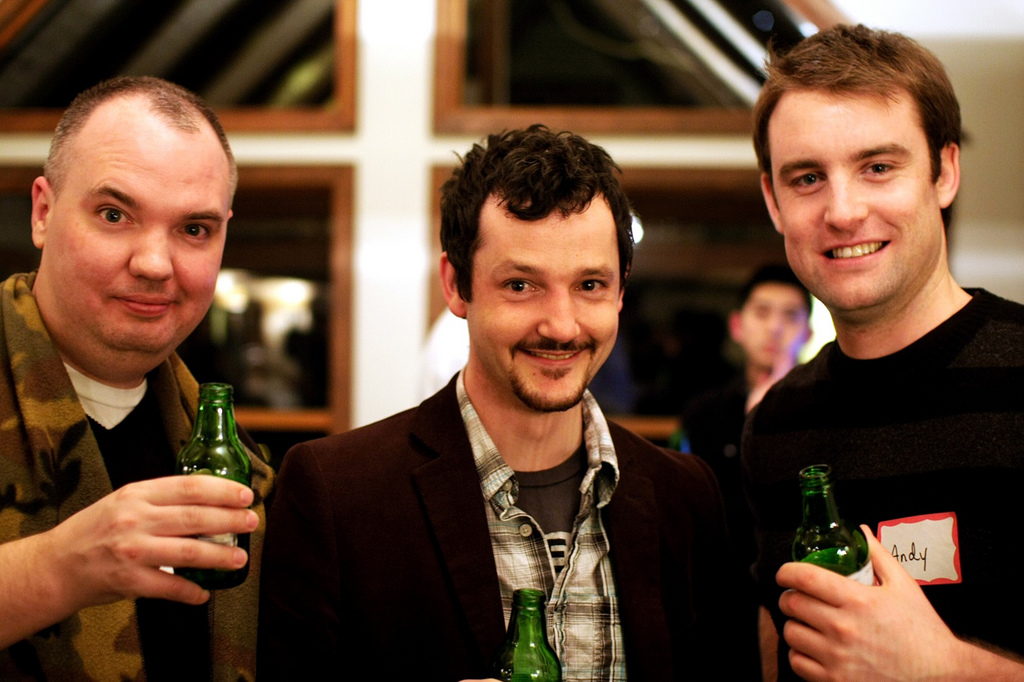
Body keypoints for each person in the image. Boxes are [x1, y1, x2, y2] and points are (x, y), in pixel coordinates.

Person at [259, 125, 743, 680]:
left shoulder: (686, 496)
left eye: (590, 285)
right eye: (520, 285)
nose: (561, 326)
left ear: (621, 290)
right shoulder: (337, 493)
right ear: (456, 285)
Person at [743, 24, 1024, 681]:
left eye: (877, 167)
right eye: (808, 177)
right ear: (773, 202)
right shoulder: (774, 428)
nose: (842, 212)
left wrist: (946, 668)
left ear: (944, 173)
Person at [0, 76, 274, 680]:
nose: (154, 264)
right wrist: (58, 569)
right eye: (114, 215)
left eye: (194, 230)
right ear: (43, 212)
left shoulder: (238, 459)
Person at [680, 264, 811, 679]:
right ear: (737, 326)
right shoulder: (705, 411)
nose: (775, 328)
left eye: (790, 316)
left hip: (801, 593)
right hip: (721, 598)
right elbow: (706, 514)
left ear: (808, 332)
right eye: (762, 312)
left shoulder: (822, 410)